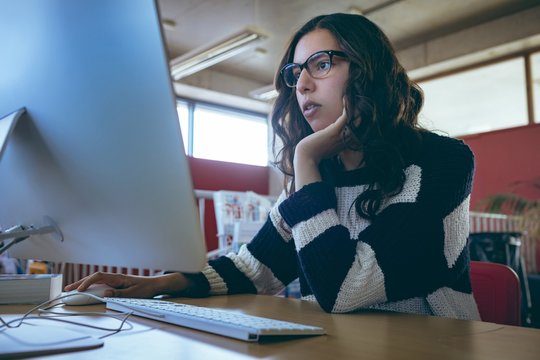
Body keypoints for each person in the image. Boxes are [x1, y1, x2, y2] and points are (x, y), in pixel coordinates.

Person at [65, 13, 480, 320]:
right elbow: (254, 267)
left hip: (433, 346)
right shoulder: (318, 175)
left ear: (367, 70)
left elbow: (348, 288)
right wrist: (156, 283)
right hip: (341, 346)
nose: (301, 85)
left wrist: (304, 159)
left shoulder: (442, 162)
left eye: (321, 64)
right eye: (296, 72)